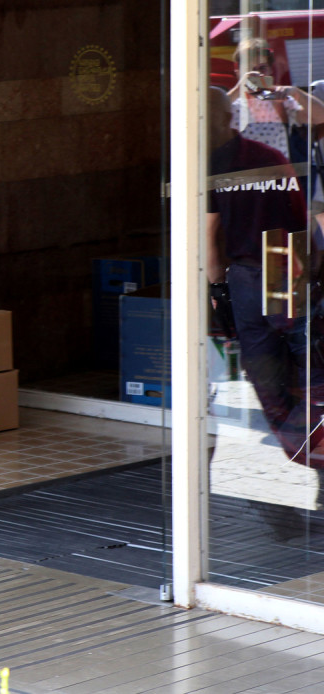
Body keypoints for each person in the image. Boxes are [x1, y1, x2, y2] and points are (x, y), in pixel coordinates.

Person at [207, 85, 324, 535]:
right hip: (285, 264)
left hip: (250, 274)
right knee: (300, 372)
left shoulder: (210, 164)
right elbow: (303, 221)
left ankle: (301, 468)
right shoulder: (267, 155)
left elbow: (209, 240)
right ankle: (313, 464)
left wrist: (217, 291)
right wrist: (309, 275)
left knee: (268, 383)